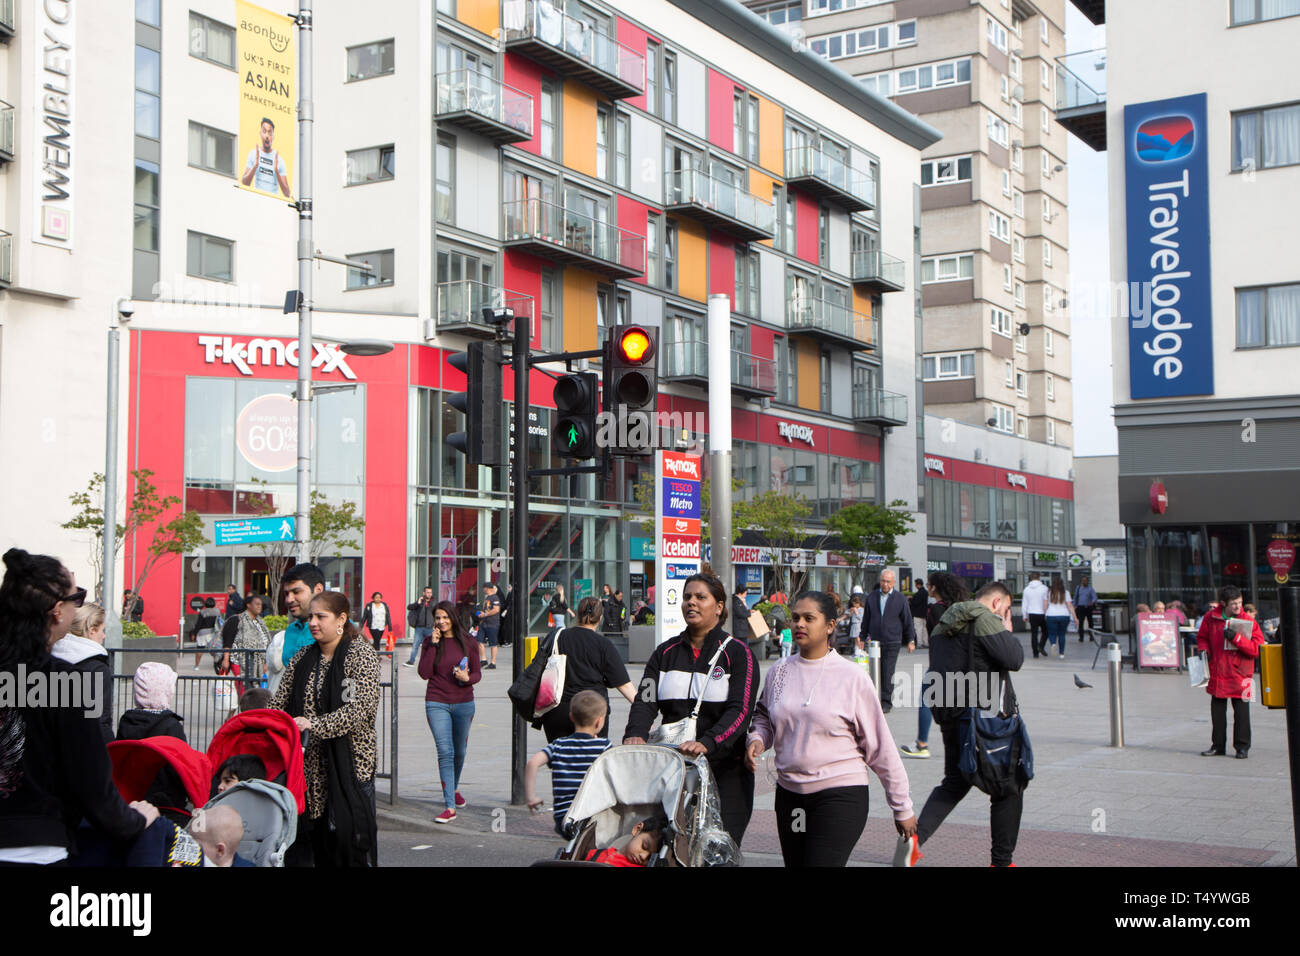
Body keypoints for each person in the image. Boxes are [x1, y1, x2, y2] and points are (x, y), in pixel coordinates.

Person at [0, 548, 157, 865]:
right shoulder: (65, 683)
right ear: (58, 611)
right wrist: (139, 819)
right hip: (38, 849)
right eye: (78, 596)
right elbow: (94, 789)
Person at [746, 591, 917, 867]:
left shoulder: (852, 677)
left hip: (840, 794)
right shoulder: (779, 671)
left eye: (809, 618)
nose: (800, 624)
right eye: (796, 618)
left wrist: (902, 807)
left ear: (829, 626)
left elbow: (880, 747)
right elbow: (764, 715)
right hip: (790, 795)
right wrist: (757, 739)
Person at [625, 570, 758, 846]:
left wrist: (708, 742)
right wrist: (635, 732)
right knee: (672, 849)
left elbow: (741, 711)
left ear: (719, 607)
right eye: (687, 597)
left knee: (718, 852)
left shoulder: (738, 654)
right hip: (675, 770)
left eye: (700, 597)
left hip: (725, 772)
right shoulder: (664, 653)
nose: (691, 603)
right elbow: (645, 699)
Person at [915, 582, 1025, 867]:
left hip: (950, 715)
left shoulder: (944, 623)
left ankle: (914, 839)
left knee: (954, 782)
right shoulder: (985, 619)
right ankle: (1002, 862)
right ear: (997, 601)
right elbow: (1014, 659)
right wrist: (1006, 627)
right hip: (984, 719)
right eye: (1007, 608)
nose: (1005, 612)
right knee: (1007, 786)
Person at [270, 591, 381, 866]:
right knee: (317, 845)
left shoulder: (360, 654)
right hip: (308, 770)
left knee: (351, 842)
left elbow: (359, 709)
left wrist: (314, 725)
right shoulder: (303, 658)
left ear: (341, 619)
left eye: (321, 616)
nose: (313, 623)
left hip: (351, 766)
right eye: (311, 617)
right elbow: (278, 702)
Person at [416, 601, 481, 823]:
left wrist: (467, 678)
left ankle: (453, 788)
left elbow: (477, 674)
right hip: (437, 701)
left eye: (445, 617)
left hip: (464, 702)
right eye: (437, 618)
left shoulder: (469, 642)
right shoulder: (429, 642)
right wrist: (433, 645)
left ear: (452, 617)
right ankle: (449, 806)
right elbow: (424, 673)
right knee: (445, 751)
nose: (441, 622)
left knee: (460, 751)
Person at [538, 598, 636, 743]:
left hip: (558, 710)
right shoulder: (604, 645)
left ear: (578, 614)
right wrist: (642, 710)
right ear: (600, 618)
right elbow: (625, 685)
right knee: (592, 761)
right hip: (592, 713)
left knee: (561, 760)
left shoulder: (558, 637)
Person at [901, 572, 970, 760]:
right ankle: (967, 742)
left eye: (930, 585)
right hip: (963, 663)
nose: (928, 588)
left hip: (940, 663)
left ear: (934, 588)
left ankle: (922, 744)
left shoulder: (935, 610)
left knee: (925, 699)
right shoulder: (960, 608)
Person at [525, 690, 612, 835]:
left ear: (571, 717)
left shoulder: (559, 745)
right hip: (593, 818)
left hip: (564, 819)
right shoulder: (603, 747)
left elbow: (532, 763)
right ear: (599, 721)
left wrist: (531, 797)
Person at [1196, 586, 1265, 759]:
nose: (1238, 606)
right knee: (1217, 712)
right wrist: (1203, 649)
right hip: (1218, 670)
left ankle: (1242, 747)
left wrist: (1236, 638)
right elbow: (1202, 637)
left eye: (1240, 602)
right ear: (1223, 603)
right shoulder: (1211, 617)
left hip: (1241, 673)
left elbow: (1257, 649)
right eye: (1234, 603)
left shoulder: (1249, 621)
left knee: (1242, 713)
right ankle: (1218, 746)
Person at [52, 602, 113, 744]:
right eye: (102, 630)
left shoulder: (51, 660)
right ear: (92, 630)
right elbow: (100, 721)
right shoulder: (97, 668)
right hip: (84, 750)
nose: (103, 636)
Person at [859, 569, 913, 713]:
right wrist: (862, 637)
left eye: (888, 581)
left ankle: (886, 701)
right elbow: (866, 619)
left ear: (893, 582)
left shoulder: (900, 598)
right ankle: (874, 699)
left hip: (892, 640)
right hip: (875, 642)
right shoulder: (872, 597)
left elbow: (907, 620)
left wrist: (911, 639)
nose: (885, 584)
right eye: (883, 581)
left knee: (887, 671)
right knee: (875, 671)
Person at [279, 563, 326, 674]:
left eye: (296, 592)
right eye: (286, 594)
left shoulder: (340, 627)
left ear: (318, 589)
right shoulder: (291, 630)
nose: (289, 599)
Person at [218, 594, 271, 689]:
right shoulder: (236, 620)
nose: (260, 606)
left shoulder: (260, 623)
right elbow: (228, 641)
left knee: (254, 690)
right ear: (248, 605)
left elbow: (266, 642)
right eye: (257, 604)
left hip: (258, 662)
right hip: (239, 660)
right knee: (243, 688)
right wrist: (226, 660)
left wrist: (265, 662)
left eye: (261, 604)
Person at [583, 816, 668, 866]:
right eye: (644, 846)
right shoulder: (595, 854)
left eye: (650, 858)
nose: (643, 856)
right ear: (637, 829)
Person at [241, 116, 291, 196]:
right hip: (258, 199)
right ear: (260, 134)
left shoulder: (279, 160)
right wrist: (255, 166)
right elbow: (244, 183)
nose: (267, 136)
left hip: (273, 201)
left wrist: (277, 171)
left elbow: (287, 193)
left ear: (273, 137)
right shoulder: (253, 154)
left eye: (270, 132)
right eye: (264, 131)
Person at [1044, 579, 1076, 659]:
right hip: (1064, 615)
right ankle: (1061, 653)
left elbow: (1045, 605)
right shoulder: (1066, 593)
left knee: (1052, 633)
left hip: (1051, 614)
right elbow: (1070, 605)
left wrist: (1045, 614)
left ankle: (1053, 644)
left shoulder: (1048, 593)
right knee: (1062, 634)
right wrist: (1075, 617)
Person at [405, 586, 436, 668]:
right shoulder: (420, 602)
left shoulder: (434, 602)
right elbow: (409, 607)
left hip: (429, 628)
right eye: (427, 592)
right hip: (419, 628)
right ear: (424, 593)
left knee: (431, 646)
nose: (429, 594)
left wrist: (435, 626)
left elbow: (437, 614)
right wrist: (417, 603)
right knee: (415, 645)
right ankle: (411, 661)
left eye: (430, 592)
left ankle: (431, 662)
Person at [1021, 572, 1049, 659]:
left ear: (1030, 578)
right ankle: (1041, 646)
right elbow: (1047, 602)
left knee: (1034, 633)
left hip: (1032, 614)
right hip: (1042, 614)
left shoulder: (1026, 589)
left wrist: (1024, 615)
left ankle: (1035, 653)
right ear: (1039, 578)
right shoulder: (1044, 588)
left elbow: (1024, 603)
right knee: (1046, 631)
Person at [477, 582, 502, 669]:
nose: (483, 590)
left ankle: (493, 662)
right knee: (480, 641)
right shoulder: (487, 598)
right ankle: (483, 660)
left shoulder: (495, 597)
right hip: (483, 623)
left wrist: (485, 614)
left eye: (484, 588)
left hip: (492, 623)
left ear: (487, 588)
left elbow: (496, 610)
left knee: (493, 643)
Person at [192, 597, 221, 667]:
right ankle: (217, 662)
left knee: (199, 649)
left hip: (202, 633)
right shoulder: (217, 612)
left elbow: (198, 624)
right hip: (212, 633)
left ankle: (196, 666)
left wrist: (194, 633)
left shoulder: (202, 612)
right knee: (212, 649)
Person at [730, 582, 753, 652]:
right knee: (742, 648)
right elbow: (741, 613)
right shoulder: (736, 601)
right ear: (740, 593)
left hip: (743, 629)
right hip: (739, 629)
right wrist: (749, 613)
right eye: (745, 593)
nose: (746, 595)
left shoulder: (740, 601)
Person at [1073, 575, 1097, 642]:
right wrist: (1074, 606)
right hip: (1080, 607)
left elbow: (1095, 597)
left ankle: (1091, 636)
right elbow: (1075, 597)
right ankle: (1081, 637)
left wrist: (1092, 602)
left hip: (1088, 607)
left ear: (1087, 581)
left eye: (1086, 580)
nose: (1084, 582)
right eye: (1083, 580)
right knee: (1081, 623)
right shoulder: (1078, 588)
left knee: (1090, 622)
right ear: (1081, 581)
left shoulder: (1090, 589)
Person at [910, 580, 930, 648]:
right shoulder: (925, 592)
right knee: (924, 629)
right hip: (924, 613)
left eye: (916, 584)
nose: (915, 586)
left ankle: (919, 643)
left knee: (918, 628)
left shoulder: (918, 594)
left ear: (918, 584)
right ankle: (926, 643)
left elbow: (915, 603)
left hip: (917, 614)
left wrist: (911, 599)